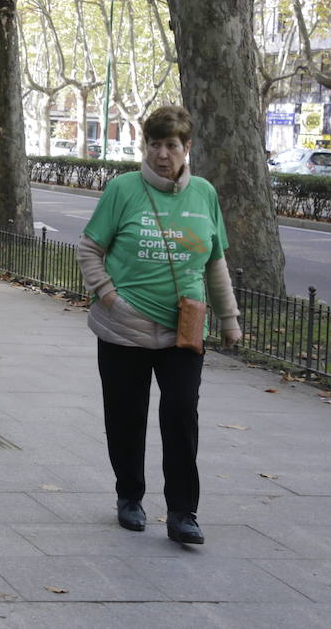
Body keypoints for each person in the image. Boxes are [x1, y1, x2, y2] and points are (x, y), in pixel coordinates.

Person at [75, 104, 241, 546]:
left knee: (181, 415)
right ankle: (129, 497)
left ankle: (183, 512)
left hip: (182, 331)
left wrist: (229, 319)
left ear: (187, 148)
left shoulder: (204, 194)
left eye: (171, 145)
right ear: (144, 146)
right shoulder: (123, 190)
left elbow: (216, 262)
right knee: (127, 417)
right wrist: (109, 295)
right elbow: (89, 248)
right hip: (123, 329)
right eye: (154, 144)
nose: (162, 154)